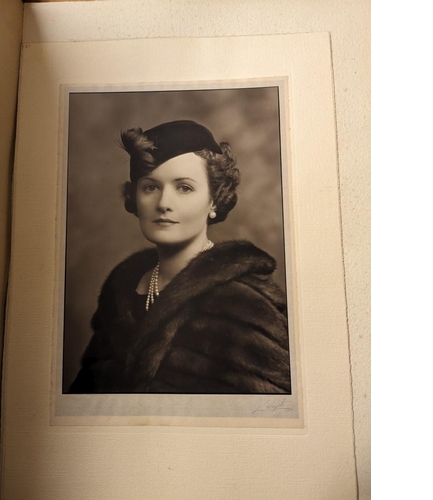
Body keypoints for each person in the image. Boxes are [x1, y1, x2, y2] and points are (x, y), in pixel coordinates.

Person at [68, 120, 291, 394]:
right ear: (135, 198)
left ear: (214, 200)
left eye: (184, 188)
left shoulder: (245, 303)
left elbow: (268, 420)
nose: (163, 203)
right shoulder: (122, 294)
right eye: (150, 187)